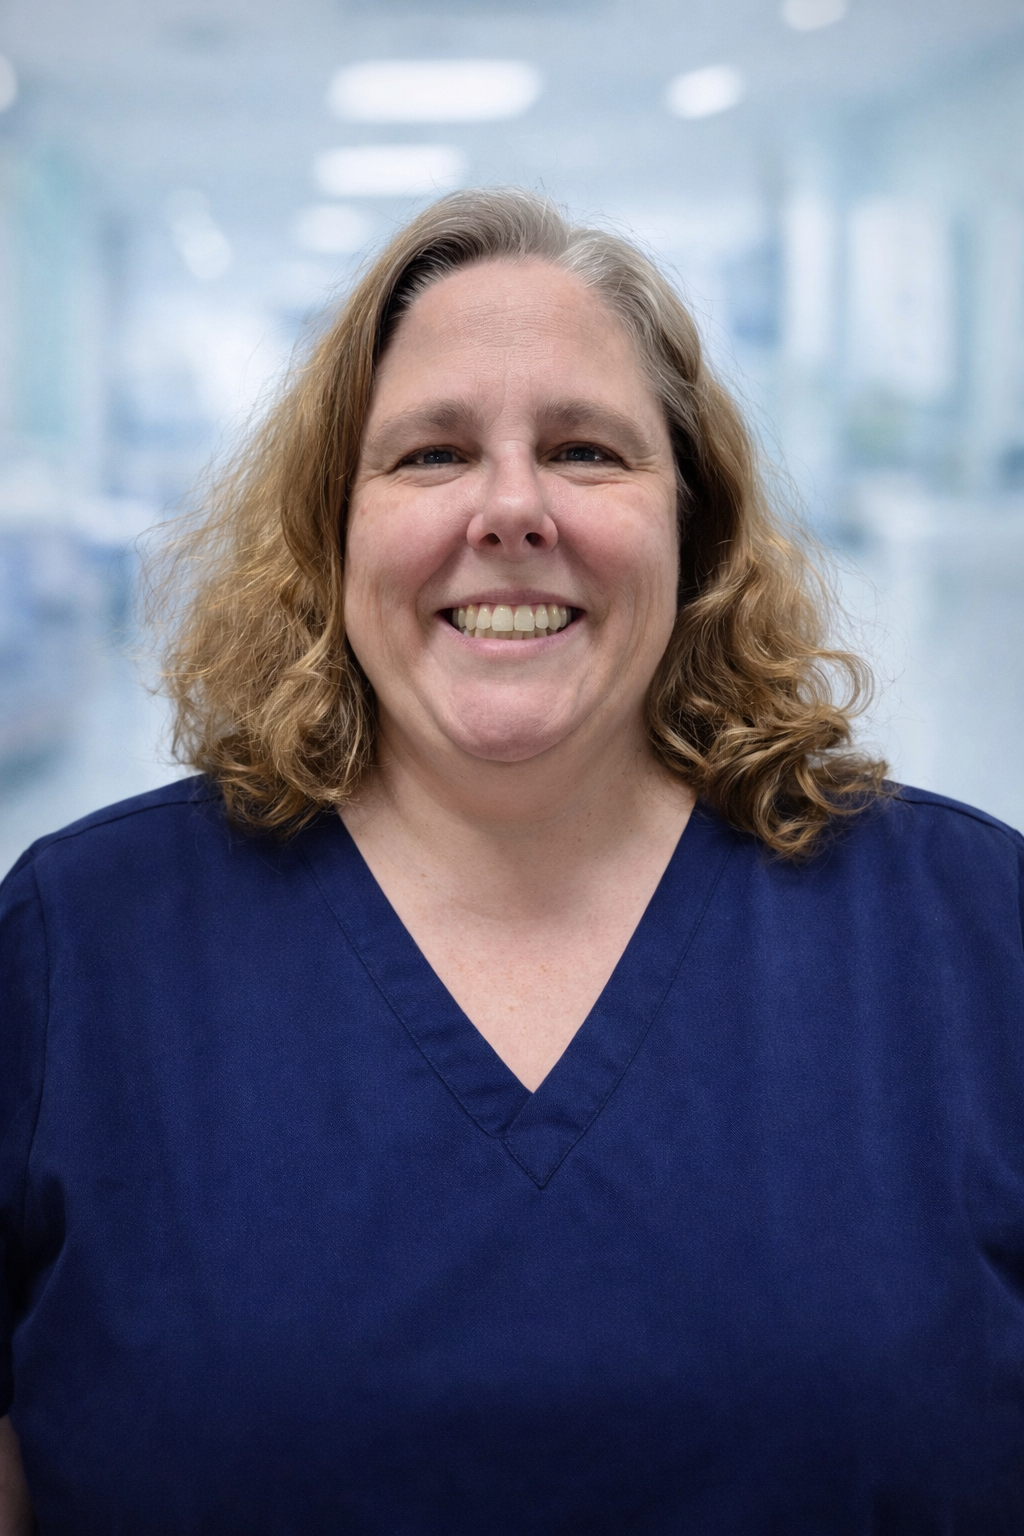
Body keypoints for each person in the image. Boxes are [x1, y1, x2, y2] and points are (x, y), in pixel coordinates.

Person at [0, 188, 1021, 1534]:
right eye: (430, 455)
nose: (512, 506)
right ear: (332, 527)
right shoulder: (85, 945)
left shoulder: (969, 933)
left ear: (694, 525)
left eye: (589, 450)